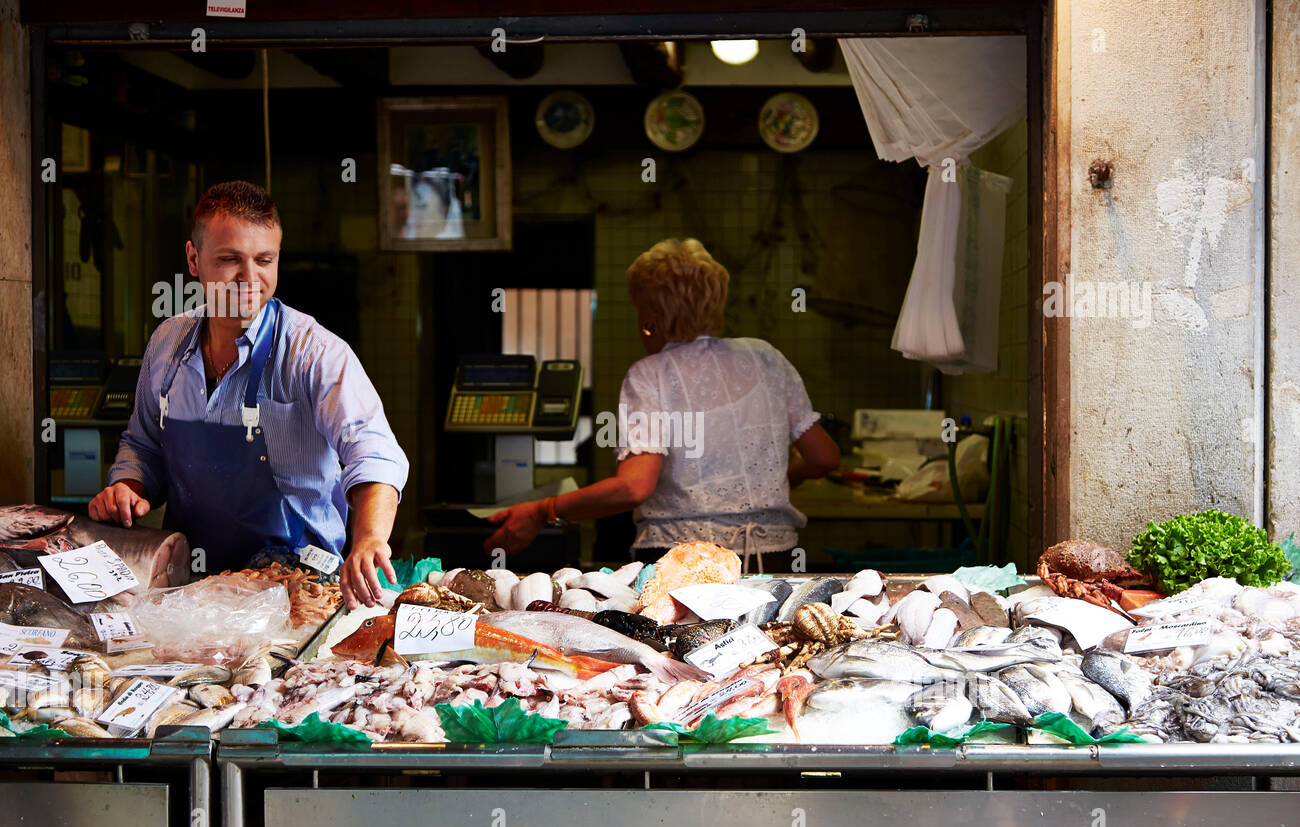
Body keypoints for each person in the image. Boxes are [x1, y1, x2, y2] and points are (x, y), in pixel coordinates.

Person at [89, 181, 408, 609]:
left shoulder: (314, 352)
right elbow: (143, 444)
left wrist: (369, 537)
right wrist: (127, 487)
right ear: (194, 259)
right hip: (190, 589)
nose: (250, 278)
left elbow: (373, 452)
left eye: (264, 260)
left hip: (298, 589)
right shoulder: (168, 344)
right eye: (230, 260)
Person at [485, 238, 840, 572]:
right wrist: (777, 481)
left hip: (683, 565)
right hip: (773, 561)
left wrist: (544, 509)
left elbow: (634, 487)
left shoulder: (649, 374)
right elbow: (824, 457)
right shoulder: (766, 358)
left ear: (650, 318)